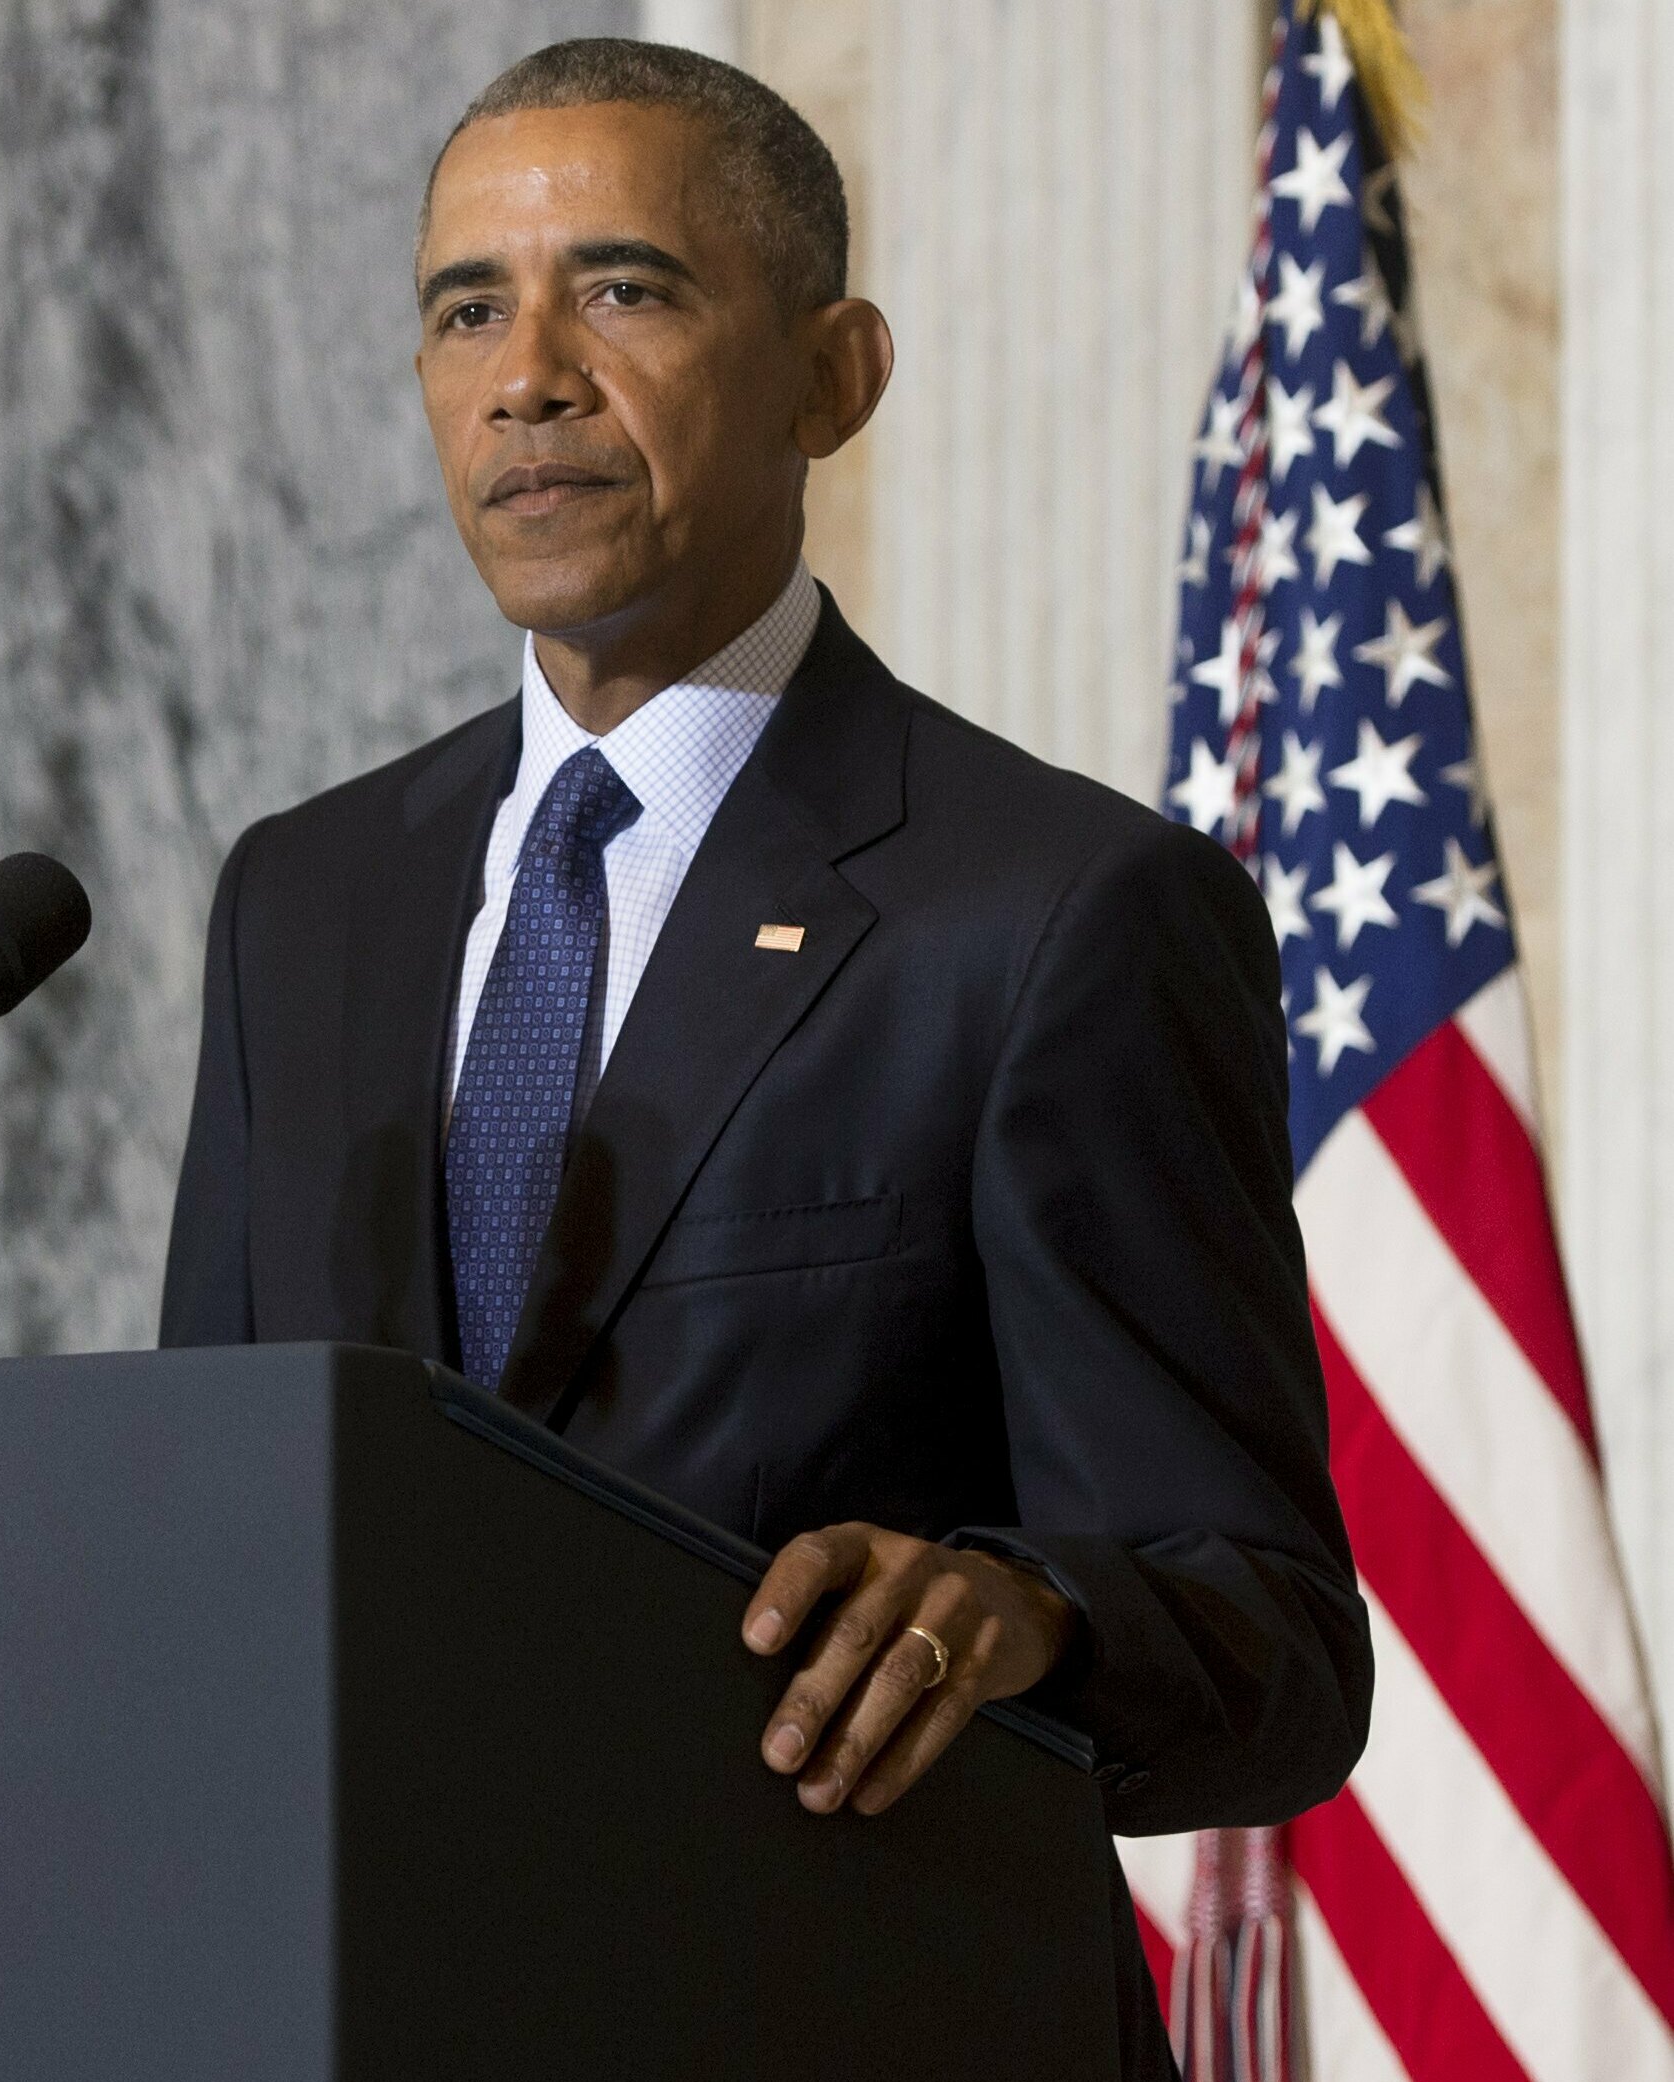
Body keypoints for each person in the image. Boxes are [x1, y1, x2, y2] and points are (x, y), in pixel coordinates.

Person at [158, 37, 1367, 2062]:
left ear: (836, 376)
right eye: (468, 308)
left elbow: (1274, 1639)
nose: (526, 370)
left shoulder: (1054, 909)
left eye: (620, 289)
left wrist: (1027, 1614)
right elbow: (205, 1528)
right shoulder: (309, 901)